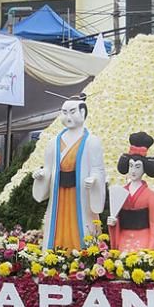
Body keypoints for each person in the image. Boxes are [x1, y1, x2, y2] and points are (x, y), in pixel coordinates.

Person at [32, 95, 106, 250]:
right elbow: (48, 167)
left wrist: (94, 179)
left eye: (72, 112)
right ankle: (56, 251)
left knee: (81, 221)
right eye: (64, 112)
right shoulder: (53, 142)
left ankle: (82, 253)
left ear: (83, 113)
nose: (68, 116)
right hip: (59, 192)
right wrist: (41, 175)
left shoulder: (92, 141)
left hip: (81, 193)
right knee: (58, 220)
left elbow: (97, 168)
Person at [107, 132, 154, 251]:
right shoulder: (121, 193)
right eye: (131, 166)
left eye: (137, 167)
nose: (133, 171)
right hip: (123, 238)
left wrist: (151, 248)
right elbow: (117, 219)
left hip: (144, 237)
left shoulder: (150, 196)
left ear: (144, 170)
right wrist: (113, 223)